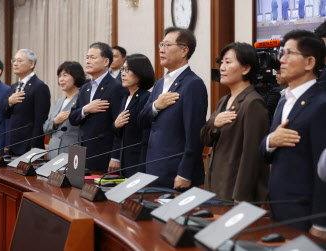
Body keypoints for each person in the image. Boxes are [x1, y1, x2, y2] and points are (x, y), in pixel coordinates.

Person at [260, 30, 326, 237]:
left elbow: (323, 171)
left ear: (309, 62)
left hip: (304, 213)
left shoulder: (321, 104)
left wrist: (321, 223)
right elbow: (265, 151)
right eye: (282, 53)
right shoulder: (284, 100)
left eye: (289, 53)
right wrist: (271, 140)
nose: (282, 60)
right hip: (279, 206)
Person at [138, 27, 207, 190]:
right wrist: (156, 106)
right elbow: (141, 120)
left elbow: (194, 134)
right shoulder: (160, 84)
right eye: (161, 45)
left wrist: (185, 173)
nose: (162, 50)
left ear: (184, 50)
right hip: (153, 167)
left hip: (176, 173)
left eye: (167, 45)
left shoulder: (193, 84)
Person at [200, 42, 270, 201]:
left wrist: (241, 196)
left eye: (228, 62)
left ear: (245, 68)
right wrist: (214, 124)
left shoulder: (253, 103)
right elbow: (205, 138)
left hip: (234, 190)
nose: (222, 68)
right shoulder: (224, 101)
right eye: (222, 63)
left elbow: (252, 155)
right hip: (215, 184)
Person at [69, 42, 125, 172]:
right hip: (81, 152)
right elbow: (72, 117)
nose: (88, 61)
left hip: (103, 154)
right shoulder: (84, 88)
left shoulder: (116, 87)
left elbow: (119, 126)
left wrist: (116, 157)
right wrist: (85, 109)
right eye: (87, 57)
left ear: (106, 61)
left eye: (93, 58)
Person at [112, 54, 155, 177]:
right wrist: (115, 125)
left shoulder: (146, 98)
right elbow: (121, 131)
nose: (123, 74)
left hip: (138, 162)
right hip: (125, 159)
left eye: (128, 70)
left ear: (140, 73)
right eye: (122, 70)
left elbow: (145, 134)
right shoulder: (125, 98)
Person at [4, 49, 51, 155]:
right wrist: (9, 102)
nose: (15, 64)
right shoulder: (14, 87)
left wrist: (34, 145)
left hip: (29, 145)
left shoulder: (39, 86)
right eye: (14, 61)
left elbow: (41, 119)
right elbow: (6, 114)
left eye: (20, 61)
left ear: (31, 64)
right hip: (13, 144)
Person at [43, 61, 85, 160]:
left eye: (65, 75)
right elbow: (46, 128)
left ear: (76, 76)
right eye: (59, 76)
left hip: (70, 153)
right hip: (52, 153)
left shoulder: (82, 100)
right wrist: (55, 122)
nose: (61, 79)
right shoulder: (58, 102)